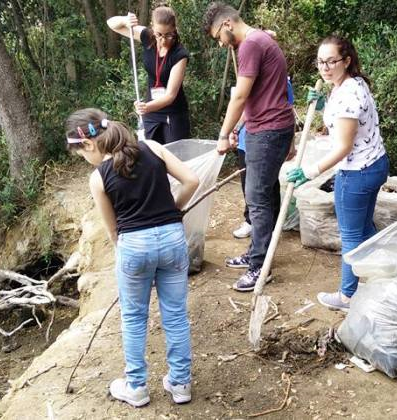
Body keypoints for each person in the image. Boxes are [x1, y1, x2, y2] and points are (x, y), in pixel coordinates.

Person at [65, 108, 199, 407]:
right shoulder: (152, 147)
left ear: (88, 144)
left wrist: (129, 249)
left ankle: (136, 387)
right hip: (172, 239)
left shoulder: (99, 177)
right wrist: (173, 211)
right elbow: (191, 181)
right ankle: (180, 384)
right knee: (175, 314)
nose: (84, 159)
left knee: (134, 318)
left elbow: (113, 232)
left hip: (134, 246)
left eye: (80, 154)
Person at [287, 36, 389, 312]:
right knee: (366, 229)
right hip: (374, 166)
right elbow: (342, 119)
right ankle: (384, 274)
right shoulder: (351, 83)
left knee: (352, 236)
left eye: (332, 61)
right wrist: (322, 106)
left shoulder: (348, 93)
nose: (325, 67)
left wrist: (310, 171)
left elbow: (343, 146)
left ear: (346, 60)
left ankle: (347, 297)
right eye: (321, 61)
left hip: (356, 173)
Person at [203, 2, 296, 291]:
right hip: (267, 128)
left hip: (268, 132)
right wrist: (237, 129)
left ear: (227, 24)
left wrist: (223, 133)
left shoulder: (251, 45)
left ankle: (260, 268)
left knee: (257, 198)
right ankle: (259, 253)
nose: (220, 43)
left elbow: (240, 97)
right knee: (264, 193)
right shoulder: (259, 40)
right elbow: (256, 97)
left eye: (218, 36)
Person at [108, 7, 190, 144]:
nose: (163, 40)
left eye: (168, 35)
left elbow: (170, 95)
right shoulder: (147, 36)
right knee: (151, 155)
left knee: (174, 157)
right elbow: (112, 24)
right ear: (153, 28)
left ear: (174, 29)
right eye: (159, 34)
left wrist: (146, 107)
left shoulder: (180, 54)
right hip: (151, 114)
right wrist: (124, 20)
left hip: (173, 113)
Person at [232, 76, 295, 239]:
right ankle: (250, 221)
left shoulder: (281, 81)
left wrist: (291, 143)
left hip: (267, 141)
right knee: (247, 184)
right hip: (246, 140)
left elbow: (289, 111)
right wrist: (235, 130)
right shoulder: (246, 79)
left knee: (269, 184)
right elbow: (241, 107)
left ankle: (272, 225)